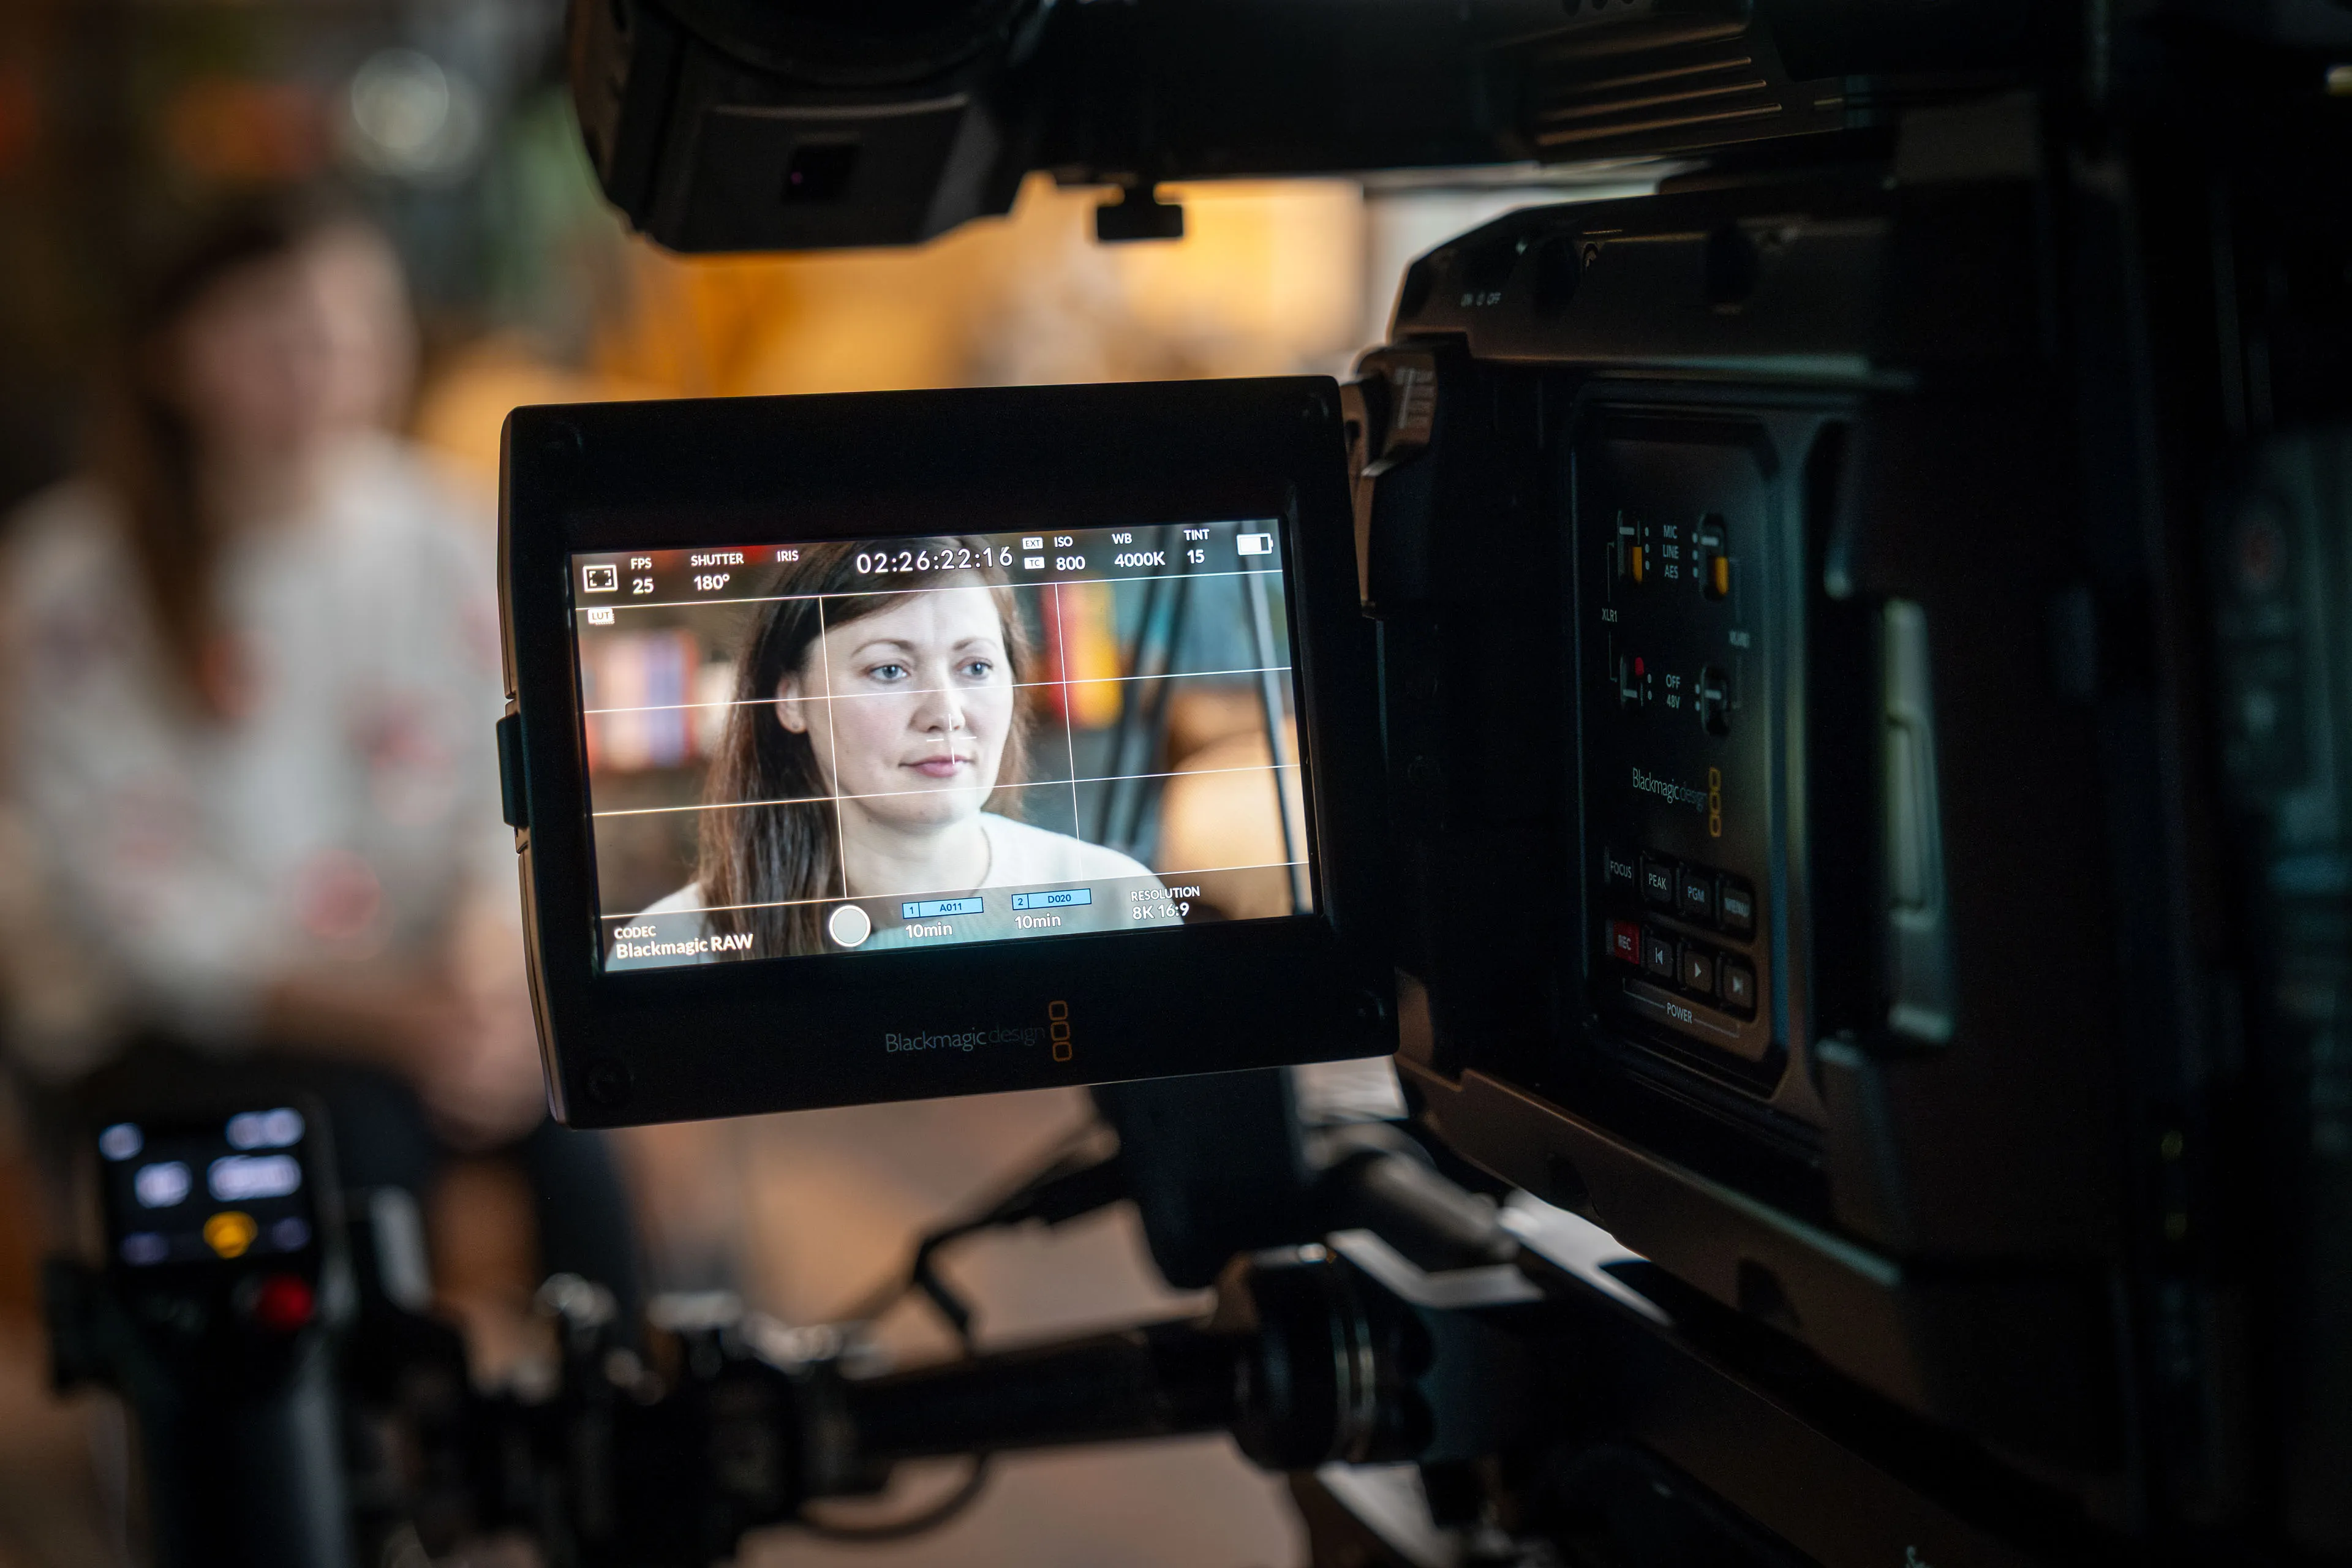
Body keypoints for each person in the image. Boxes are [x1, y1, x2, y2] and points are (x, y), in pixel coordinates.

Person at [0, 194, 638, 1312]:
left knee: (580, 1117)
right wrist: (393, 1022)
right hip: (184, 1021)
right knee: (360, 1148)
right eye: (280, 336)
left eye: (354, 334)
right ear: (174, 355)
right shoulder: (74, 585)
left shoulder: (447, 534)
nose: (326, 370)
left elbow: (509, 797)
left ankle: (621, 1402)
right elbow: (137, 911)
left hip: (422, 997)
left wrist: (481, 972)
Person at [639, 539, 1158, 958]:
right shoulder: (675, 943)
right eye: (889, 670)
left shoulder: (1115, 900)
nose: (946, 713)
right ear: (792, 700)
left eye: (976, 667)